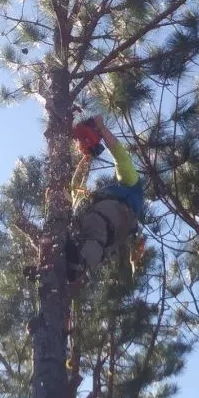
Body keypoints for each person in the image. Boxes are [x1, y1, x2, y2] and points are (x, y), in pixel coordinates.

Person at [66, 116, 145, 281]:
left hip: (109, 223)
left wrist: (101, 129)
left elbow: (120, 156)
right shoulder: (87, 201)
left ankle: (78, 264)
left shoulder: (130, 188)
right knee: (70, 231)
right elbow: (75, 185)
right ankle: (64, 261)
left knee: (95, 227)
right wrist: (86, 157)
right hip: (87, 226)